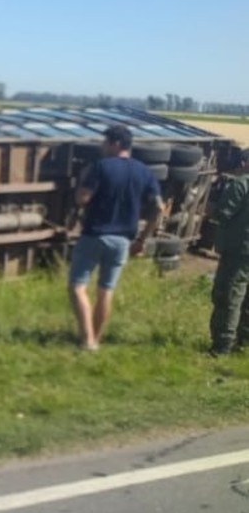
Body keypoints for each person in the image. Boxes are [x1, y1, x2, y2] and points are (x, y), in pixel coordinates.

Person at [69, 124, 165, 352]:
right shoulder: (144, 171)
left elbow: (83, 199)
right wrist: (143, 239)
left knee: (77, 286)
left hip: (94, 235)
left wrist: (82, 182)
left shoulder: (100, 167)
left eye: (105, 142)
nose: (102, 146)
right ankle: (96, 339)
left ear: (115, 144)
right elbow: (160, 208)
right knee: (106, 290)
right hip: (123, 241)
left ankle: (88, 340)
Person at [208, 149, 249, 356]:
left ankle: (222, 345)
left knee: (229, 296)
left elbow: (223, 214)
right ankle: (244, 342)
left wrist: (213, 200)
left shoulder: (240, 184)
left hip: (238, 250)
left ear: (244, 162)